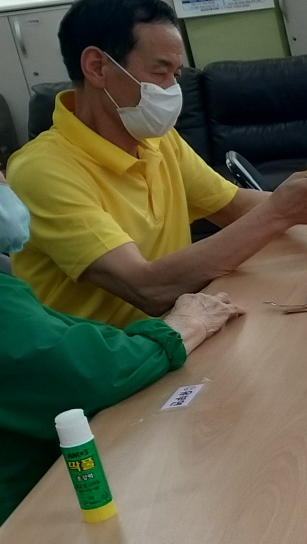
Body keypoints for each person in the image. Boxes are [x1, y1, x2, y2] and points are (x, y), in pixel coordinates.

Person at [8, 0, 307, 328]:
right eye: (159, 73)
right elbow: (146, 288)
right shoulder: (42, 171)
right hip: (114, 358)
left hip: (186, 330)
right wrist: (280, 211)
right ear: (97, 67)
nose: (171, 91)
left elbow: (232, 206)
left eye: (175, 75)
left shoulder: (157, 140)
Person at [0, 170, 242, 524]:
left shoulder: (161, 146)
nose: (6, 186)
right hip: (27, 515)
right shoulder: (45, 169)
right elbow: (90, 369)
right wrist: (182, 328)